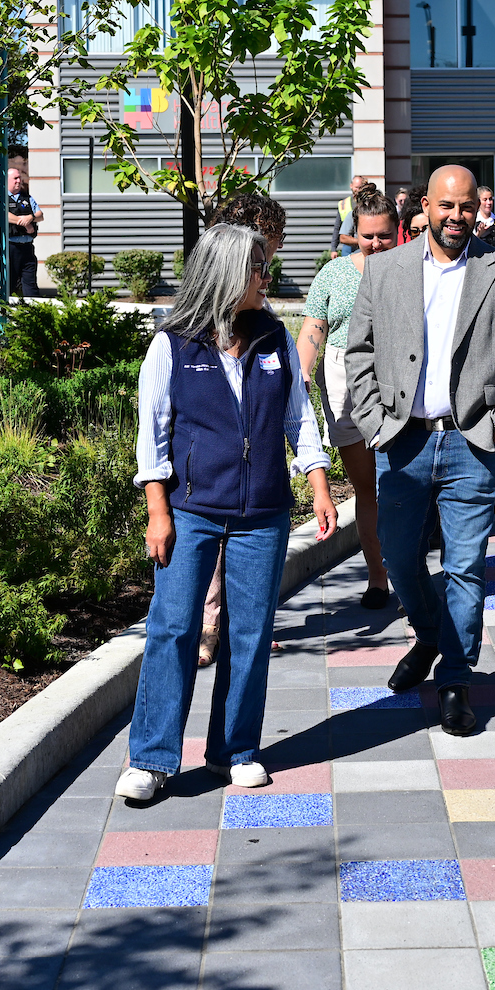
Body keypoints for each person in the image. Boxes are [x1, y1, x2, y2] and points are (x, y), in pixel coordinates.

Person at [118, 225, 335, 803]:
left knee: (249, 630)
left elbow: (299, 418)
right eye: (258, 268)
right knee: (174, 627)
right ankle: (152, 758)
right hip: (190, 509)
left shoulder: (274, 338)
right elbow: (152, 436)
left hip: (262, 510)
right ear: (227, 274)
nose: (267, 277)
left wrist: (318, 483)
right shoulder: (173, 343)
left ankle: (234, 750)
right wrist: (157, 511)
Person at [345, 164, 495, 738]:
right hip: (401, 440)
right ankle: (429, 634)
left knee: (464, 568)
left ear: (479, 208)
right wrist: (377, 422)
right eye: (446, 207)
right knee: (400, 558)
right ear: (425, 208)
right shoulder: (384, 270)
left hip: (471, 442)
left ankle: (457, 677)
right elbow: (359, 352)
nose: (457, 217)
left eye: (467, 207)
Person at [195, 192, 289, 666]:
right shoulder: (188, 336)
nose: (270, 267)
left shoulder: (268, 329)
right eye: (266, 254)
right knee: (214, 552)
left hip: (258, 490)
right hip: (209, 487)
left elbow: (293, 409)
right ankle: (210, 623)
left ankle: (244, 619)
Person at [299, 191, 400, 610]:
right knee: (366, 488)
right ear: (352, 232)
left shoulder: (408, 268)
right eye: (367, 235)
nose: (375, 243)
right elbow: (313, 328)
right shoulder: (334, 273)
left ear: (396, 231)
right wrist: (301, 374)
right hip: (342, 381)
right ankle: (378, 575)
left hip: (396, 377)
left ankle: (408, 570)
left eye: (384, 236)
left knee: (403, 486)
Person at [5, 161, 41, 300]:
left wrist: (30, 218)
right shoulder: (2, 197)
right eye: (15, 178)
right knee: (11, 282)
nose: (19, 181)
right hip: (11, 247)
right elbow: (5, 215)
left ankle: (34, 312)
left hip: (27, 247)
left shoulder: (27, 197)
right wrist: (26, 224)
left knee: (30, 283)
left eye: (20, 178)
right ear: (7, 180)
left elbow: (40, 215)